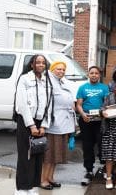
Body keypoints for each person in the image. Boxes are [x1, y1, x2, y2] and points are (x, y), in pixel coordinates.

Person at [14, 54, 53, 195]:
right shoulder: (24, 79)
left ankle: (32, 187)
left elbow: (49, 105)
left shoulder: (46, 81)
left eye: (43, 63)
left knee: (37, 156)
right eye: (38, 62)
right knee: (26, 155)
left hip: (40, 122)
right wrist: (31, 126)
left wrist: (43, 126)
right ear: (32, 64)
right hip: (25, 121)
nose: (41, 65)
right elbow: (22, 104)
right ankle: (22, 189)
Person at [40, 61, 76, 190]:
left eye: (63, 70)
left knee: (57, 155)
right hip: (53, 124)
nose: (61, 71)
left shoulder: (61, 82)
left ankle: (50, 178)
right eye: (58, 69)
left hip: (64, 124)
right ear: (52, 69)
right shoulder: (48, 82)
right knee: (49, 155)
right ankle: (43, 180)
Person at [76, 66, 109, 186]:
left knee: (101, 143)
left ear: (99, 75)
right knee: (87, 146)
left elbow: (106, 103)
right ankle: (89, 170)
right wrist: (83, 114)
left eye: (96, 73)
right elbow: (79, 104)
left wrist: (103, 112)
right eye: (92, 73)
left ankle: (104, 167)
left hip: (100, 121)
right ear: (88, 75)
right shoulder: (82, 88)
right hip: (86, 120)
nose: (94, 75)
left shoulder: (105, 88)